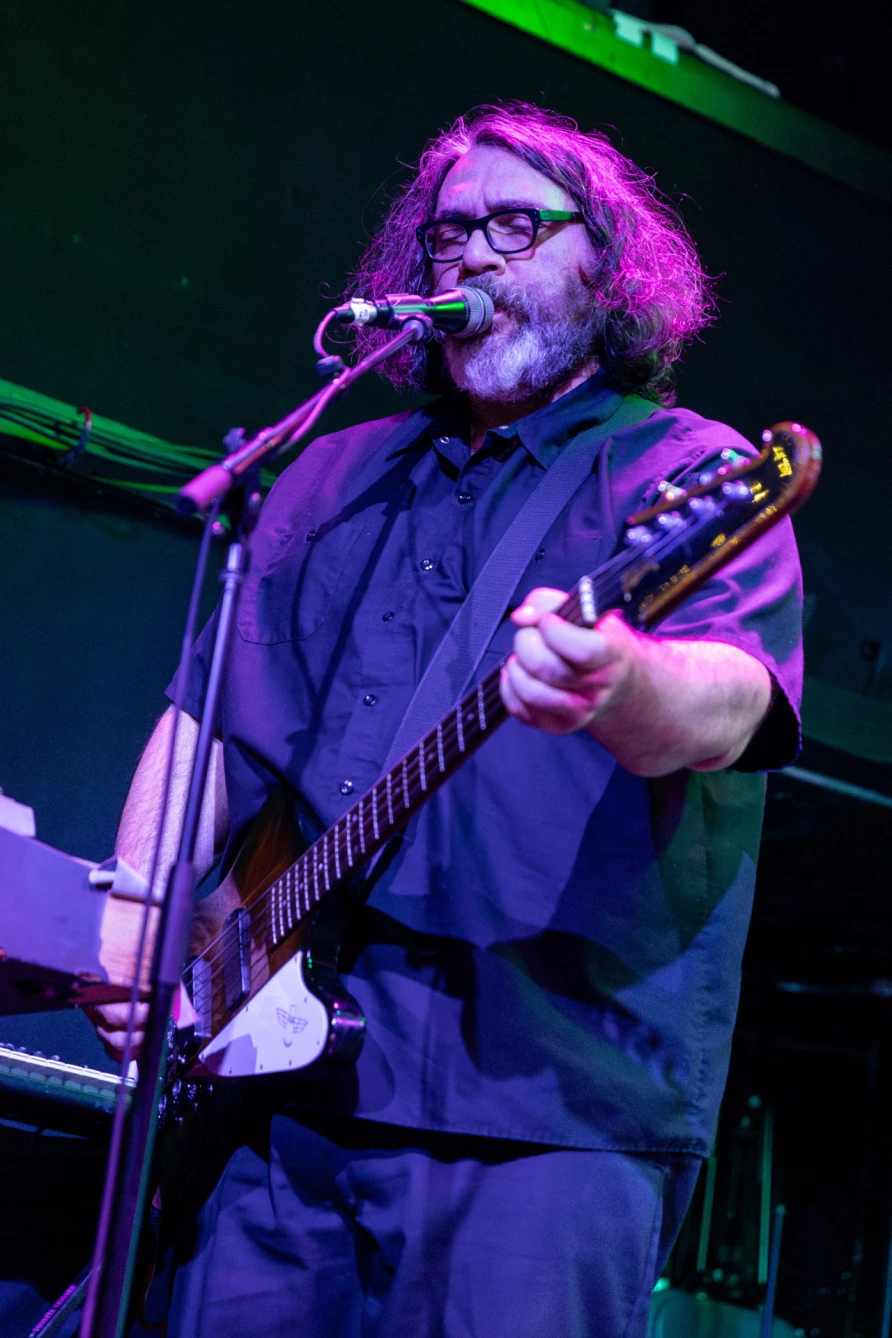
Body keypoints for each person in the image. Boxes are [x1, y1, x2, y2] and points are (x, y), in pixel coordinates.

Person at [89, 103, 803, 1338]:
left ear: (609, 266)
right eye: (447, 232)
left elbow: (731, 703)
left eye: (516, 225)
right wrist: (137, 909)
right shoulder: (335, 471)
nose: (470, 253)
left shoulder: (683, 470)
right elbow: (212, 721)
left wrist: (621, 682)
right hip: (275, 1102)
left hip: (547, 1113)